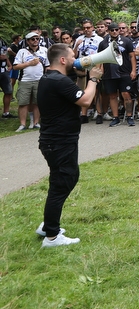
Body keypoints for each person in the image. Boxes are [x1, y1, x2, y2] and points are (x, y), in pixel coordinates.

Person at [35, 43, 104, 247]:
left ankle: (48, 225)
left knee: (60, 180)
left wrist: (84, 78)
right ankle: (52, 237)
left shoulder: (50, 78)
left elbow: (75, 97)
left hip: (54, 140)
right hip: (60, 141)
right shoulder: (58, 81)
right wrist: (93, 79)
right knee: (63, 182)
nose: (76, 59)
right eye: (73, 56)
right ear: (63, 60)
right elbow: (85, 101)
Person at [13, 31, 48, 131]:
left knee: (37, 102)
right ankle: (22, 124)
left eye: (37, 39)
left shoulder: (44, 50)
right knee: (23, 102)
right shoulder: (22, 52)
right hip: (25, 80)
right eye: (33, 39)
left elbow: (47, 65)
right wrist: (29, 63)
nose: (35, 41)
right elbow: (15, 66)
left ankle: (36, 122)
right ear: (28, 41)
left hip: (39, 80)